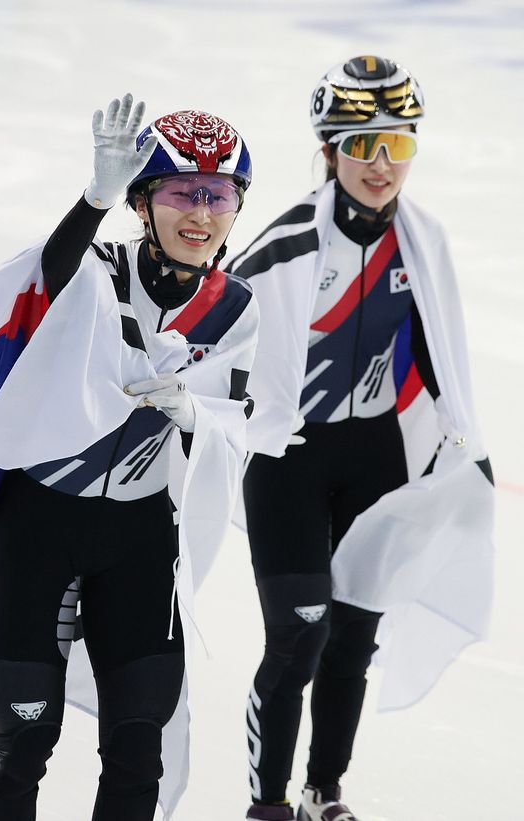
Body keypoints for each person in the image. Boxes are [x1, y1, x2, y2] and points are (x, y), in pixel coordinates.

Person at [0, 96, 258, 821]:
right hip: (40, 527)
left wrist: (195, 416)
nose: (202, 213)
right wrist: (92, 200)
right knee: (25, 740)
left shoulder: (237, 306)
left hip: (141, 540)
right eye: (183, 191)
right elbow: (44, 281)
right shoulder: (93, 269)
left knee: (137, 749)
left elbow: (235, 428)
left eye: (221, 195)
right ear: (144, 203)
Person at [228, 56, 494, 821]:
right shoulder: (281, 249)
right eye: (363, 145)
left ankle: (324, 795)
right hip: (291, 466)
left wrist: (462, 443)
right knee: (299, 638)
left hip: (378, 459)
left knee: (352, 641)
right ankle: (267, 803)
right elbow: (215, 344)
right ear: (329, 152)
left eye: (398, 147)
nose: (382, 166)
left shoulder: (422, 242)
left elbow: (440, 352)